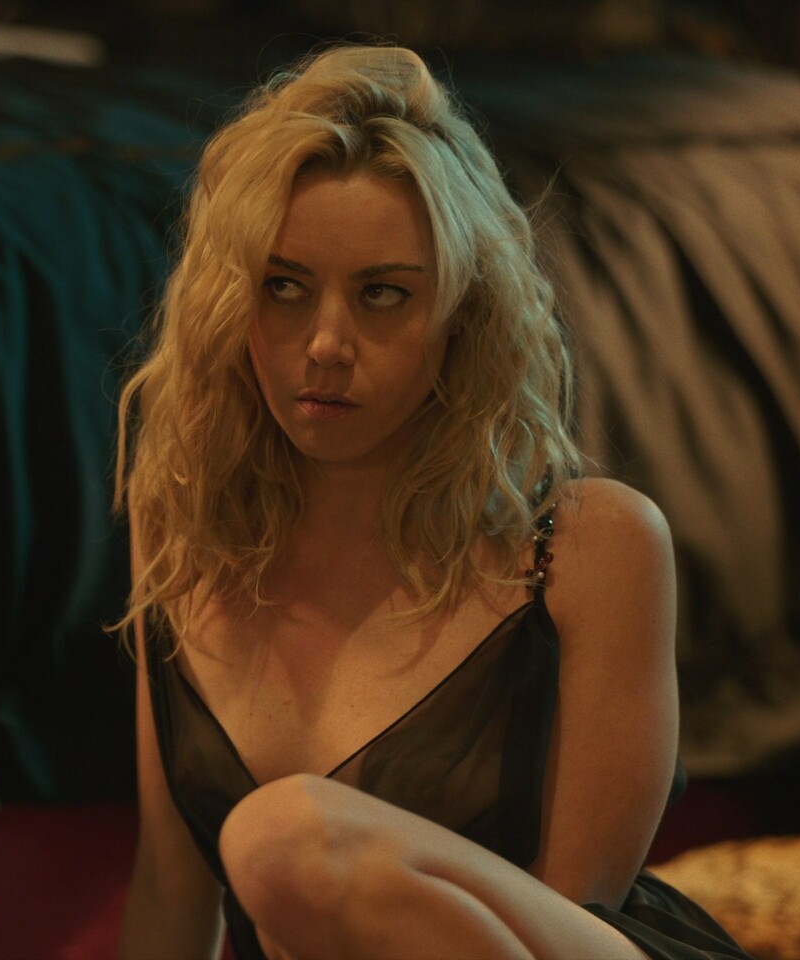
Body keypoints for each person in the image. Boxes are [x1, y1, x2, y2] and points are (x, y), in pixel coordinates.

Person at [110, 44, 754, 960]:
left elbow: (573, 920)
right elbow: (172, 889)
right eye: (283, 287)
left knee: (283, 840)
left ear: (462, 314)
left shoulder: (588, 549)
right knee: (278, 844)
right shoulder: (185, 522)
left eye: (382, 295)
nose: (325, 344)